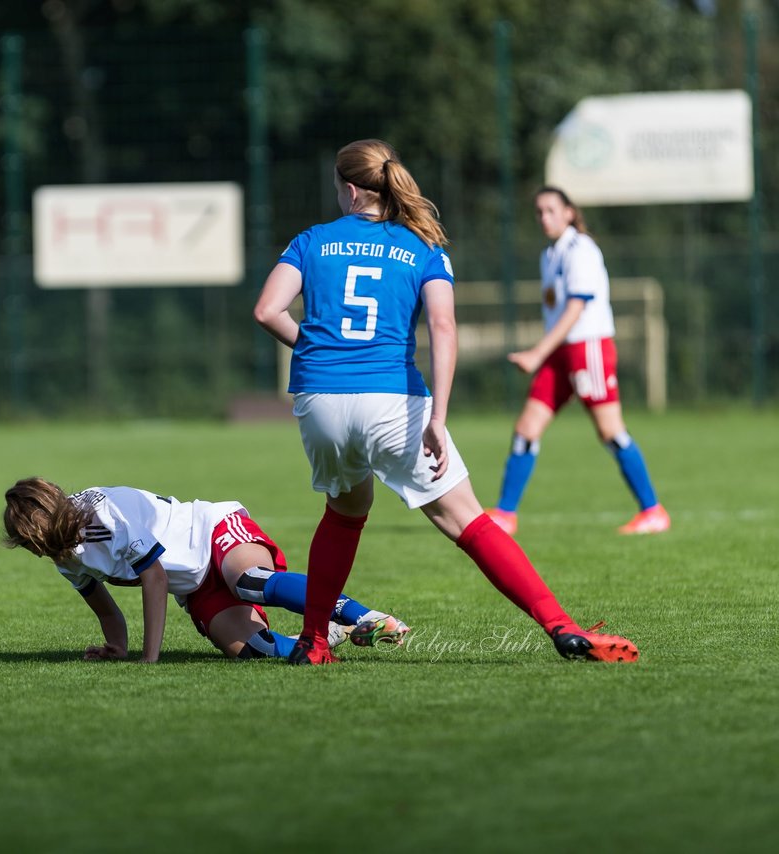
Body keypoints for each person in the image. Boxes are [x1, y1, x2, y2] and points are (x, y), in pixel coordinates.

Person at [252, 139, 639, 665]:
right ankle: (562, 627)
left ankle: (314, 642)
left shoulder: (311, 240)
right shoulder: (421, 245)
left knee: (344, 514)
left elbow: (267, 310)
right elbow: (443, 326)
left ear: (347, 189)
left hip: (320, 399)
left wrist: (320, 350)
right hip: (391, 399)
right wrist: (438, 417)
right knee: (469, 521)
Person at [1, 477, 411, 663]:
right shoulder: (65, 558)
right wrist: (118, 648)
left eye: (31, 544)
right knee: (252, 651)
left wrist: (149, 658)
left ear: (43, 532)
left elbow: (155, 577)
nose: (36, 553)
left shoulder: (106, 516)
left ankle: (366, 617)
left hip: (215, 532)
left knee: (250, 582)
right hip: (196, 585)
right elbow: (107, 610)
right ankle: (333, 635)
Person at [486, 186, 669, 537]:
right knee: (526, 430)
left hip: (588, 349)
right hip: (561, 353)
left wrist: (537, 352)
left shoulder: (579, 249)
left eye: (551, 210)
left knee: (610, 431)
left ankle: (653, 511)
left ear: (569, 212)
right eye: (539, 212)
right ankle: (506, 514)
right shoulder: (550, 254)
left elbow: (576, 308)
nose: (544, 218)